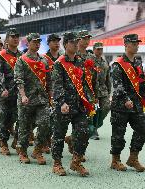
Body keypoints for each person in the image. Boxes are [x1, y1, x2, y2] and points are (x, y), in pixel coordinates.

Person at [51, 32, 95, 176]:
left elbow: (84, 83)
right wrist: (61, 102)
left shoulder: (80, 62)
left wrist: (89, 100)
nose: (76, 44)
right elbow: (57, 85)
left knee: (84, 132)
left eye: (77, 42)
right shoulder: (59, 64)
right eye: (72, 42)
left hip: (79, 105)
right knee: (59, 134)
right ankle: (57, 163)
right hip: (64, 106)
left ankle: (76, 161)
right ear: (65, 44)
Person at [110, 34, 145, 172]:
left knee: (142, 128)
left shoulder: (138, 62)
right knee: (118, 134)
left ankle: (133, 158)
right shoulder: (118, 64)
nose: (137, 45)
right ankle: (115, 160)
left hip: (136, 104)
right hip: (121, 105)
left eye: (137, 43)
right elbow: (117, 85)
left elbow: (141, 82)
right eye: (134, 43)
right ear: (126, 44)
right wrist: (126, 99)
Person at [14, 33, 52, 165]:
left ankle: (37, 150)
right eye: (34, 42)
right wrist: (23, 95)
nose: (37, 44)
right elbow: (19, 80)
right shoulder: (22, 60)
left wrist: (50, 96)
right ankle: (23, 152)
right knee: (24, 127)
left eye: (38, 42)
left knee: (45, 124)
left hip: (41, 99)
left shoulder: (43, 60)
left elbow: (48, 80)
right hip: (27, 100)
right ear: (28, 43)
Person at [0, 28, 22, 155]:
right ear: (7, 39)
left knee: (21, 118)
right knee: (4, 118)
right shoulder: (2, 55)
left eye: (17, 36)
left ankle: (16, 140)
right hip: (6, 92)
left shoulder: (22, 56)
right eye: (13, 37)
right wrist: (2, 89)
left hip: (19, 93)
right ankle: (4, 143)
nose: (15, 39)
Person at [91, 42, 111, 140]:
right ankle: (92, 130)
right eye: (98, 49)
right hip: (92, 90)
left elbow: (108, 77)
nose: (99, 51)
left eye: (101, 49)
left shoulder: (105, 61)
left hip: (103, 90)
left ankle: (96, 125)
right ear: (94, 50)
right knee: (93, 111)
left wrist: (109, 90)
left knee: (106, 107)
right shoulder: (90, 60)